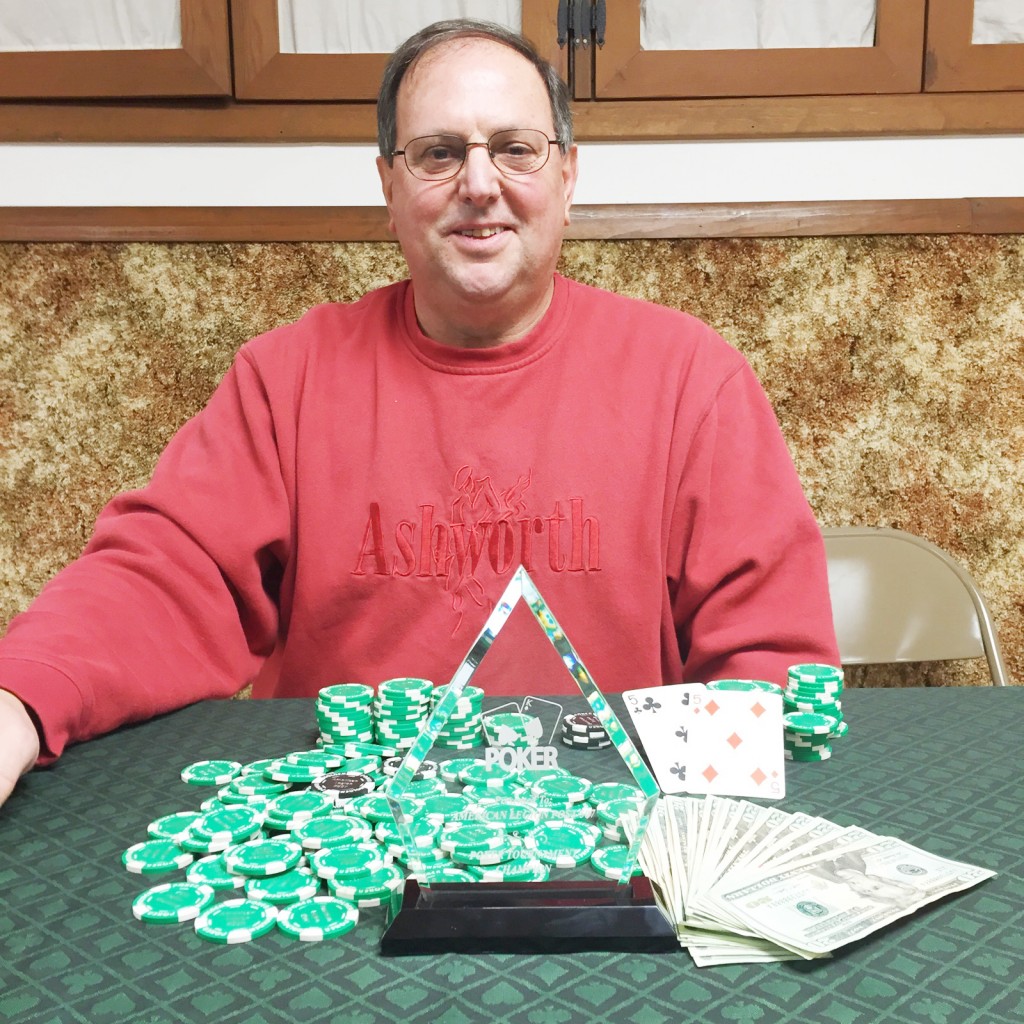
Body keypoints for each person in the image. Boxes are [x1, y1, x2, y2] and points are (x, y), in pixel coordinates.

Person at [0, 19, 838, 806]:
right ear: (389, 187)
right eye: (439, 153)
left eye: (515, 149)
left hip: (605, 853)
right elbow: (163, 579)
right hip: (342, 848)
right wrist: (19, 697)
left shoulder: (694, 379)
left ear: (568, 178)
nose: (480, 185)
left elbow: (769, 667)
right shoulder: (285, 377)